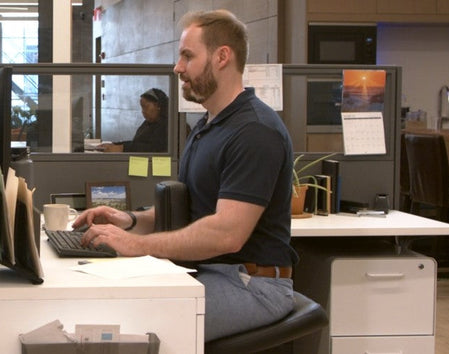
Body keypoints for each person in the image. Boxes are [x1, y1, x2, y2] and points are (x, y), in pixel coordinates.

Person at [73, 9, 298, 341]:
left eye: (187, 56)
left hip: (252, 284)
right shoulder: (207, 126)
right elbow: (189, 214)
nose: (178, 67)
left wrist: (137, 245)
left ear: (222, 57)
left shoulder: (254, 131)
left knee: (128, 324)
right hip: (211, 272)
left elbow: (226, 234)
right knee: (99, 300)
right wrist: (129, 220)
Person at [101, 88, 168, 152]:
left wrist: (123, 148)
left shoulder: (168, 125)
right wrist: (115, 144)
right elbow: (137, 143)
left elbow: (153, 148)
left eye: (146, 107)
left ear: (158, 106)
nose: (143, 111)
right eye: (142, 108)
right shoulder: (148, 123)